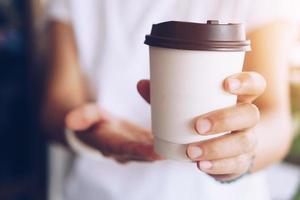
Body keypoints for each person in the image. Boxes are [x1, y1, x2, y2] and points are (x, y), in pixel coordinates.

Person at [43, 0, 300, 199]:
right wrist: (91, 130)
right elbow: (56, 108)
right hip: (99, 192)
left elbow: (275, 118)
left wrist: (241, 155)